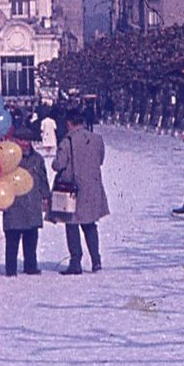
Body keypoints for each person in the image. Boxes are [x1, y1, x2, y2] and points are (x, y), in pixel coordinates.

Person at [51, 109, 109, 275]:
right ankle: (96, 260)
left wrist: (54, 164)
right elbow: (100, 160)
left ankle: (75, 262)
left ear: (69, 123)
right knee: (90, 224)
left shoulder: (67, 141)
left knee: (72, 224)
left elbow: (59, 164)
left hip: (72, 188)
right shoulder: (97, 139)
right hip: (92, 187)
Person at [2, 127, 51, 276]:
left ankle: (31, 266)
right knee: (12, 238)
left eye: (27, 140)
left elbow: (43, 178)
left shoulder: (37, 159)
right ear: (15, 141)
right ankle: (10, 269)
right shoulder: (7, 159)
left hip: (32, 203)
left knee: (31, 237)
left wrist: (46, 196)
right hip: (14, 204)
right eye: (21, 140)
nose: (24, 143)